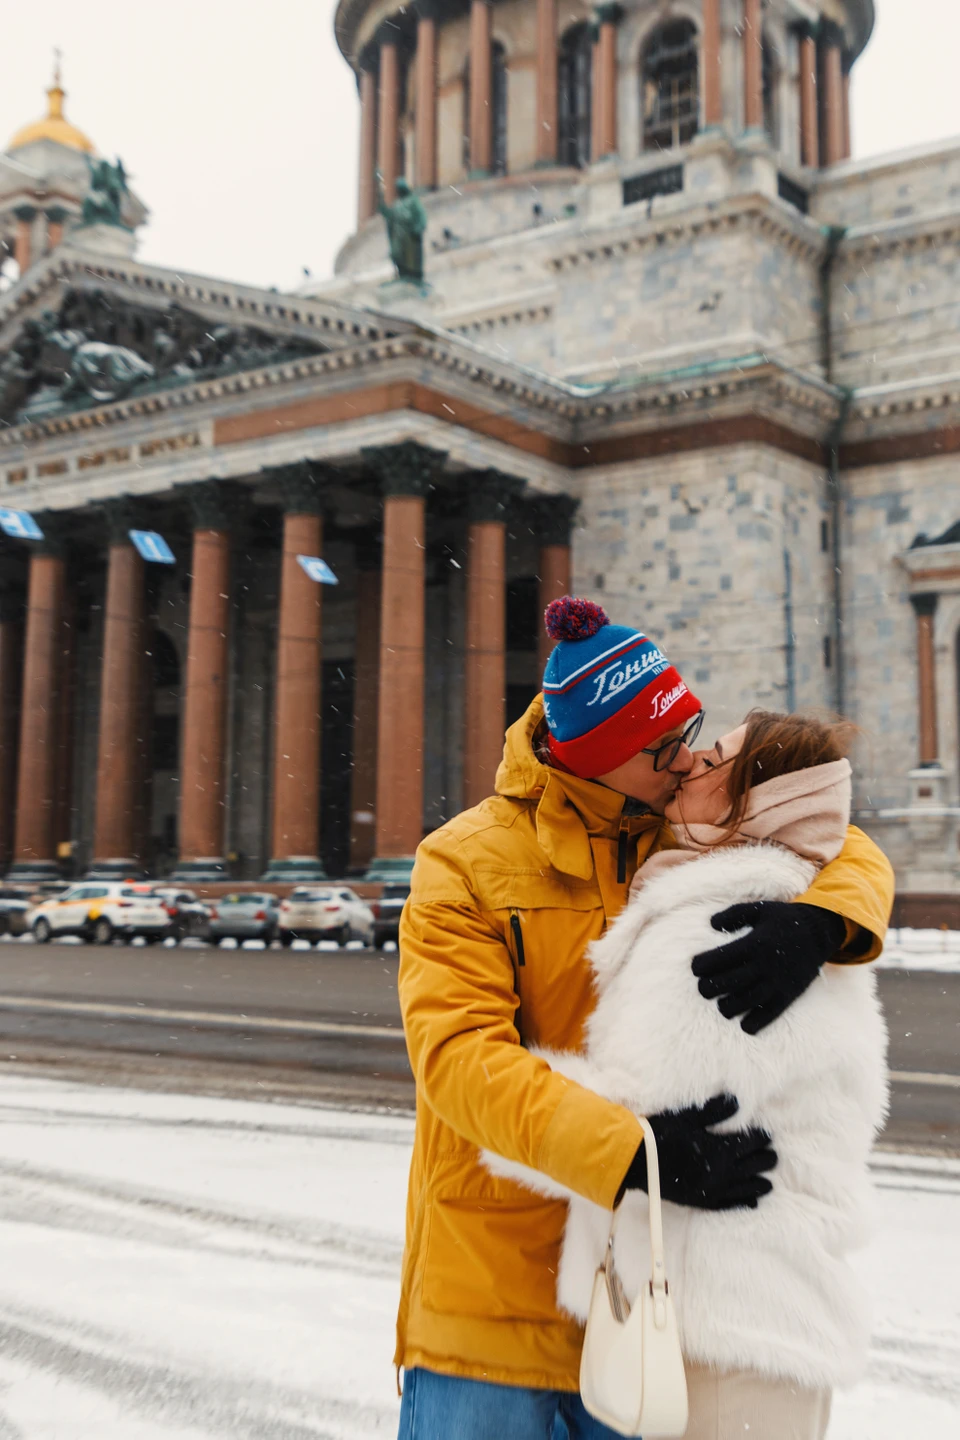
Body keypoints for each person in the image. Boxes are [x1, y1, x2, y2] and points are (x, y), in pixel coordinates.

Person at [396, 598, 894, 1440]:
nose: (689, 757)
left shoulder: (683, 829)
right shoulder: (463, 863)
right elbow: (459, 1064)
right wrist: (636, 1154)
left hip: (641, 1291)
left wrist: (826, 920)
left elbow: (828, 827)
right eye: (662, 748)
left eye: (692, 728)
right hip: (490, 1291)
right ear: (594, 759)